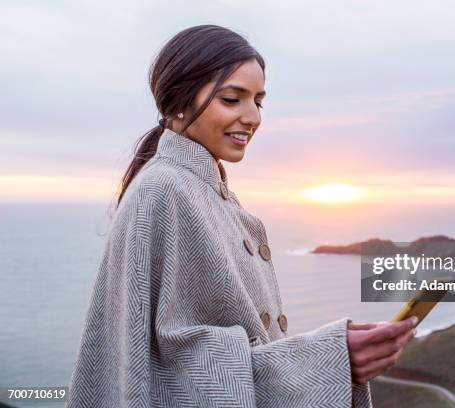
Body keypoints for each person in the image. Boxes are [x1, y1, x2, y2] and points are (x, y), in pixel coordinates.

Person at [66, 24, 418, 408]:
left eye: (259, 101)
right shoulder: (164, 189)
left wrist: (330, 353)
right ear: (178, 101)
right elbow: (161, 375)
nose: (253, 117)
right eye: (232, 99)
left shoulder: (204, 190)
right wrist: (329, 359)